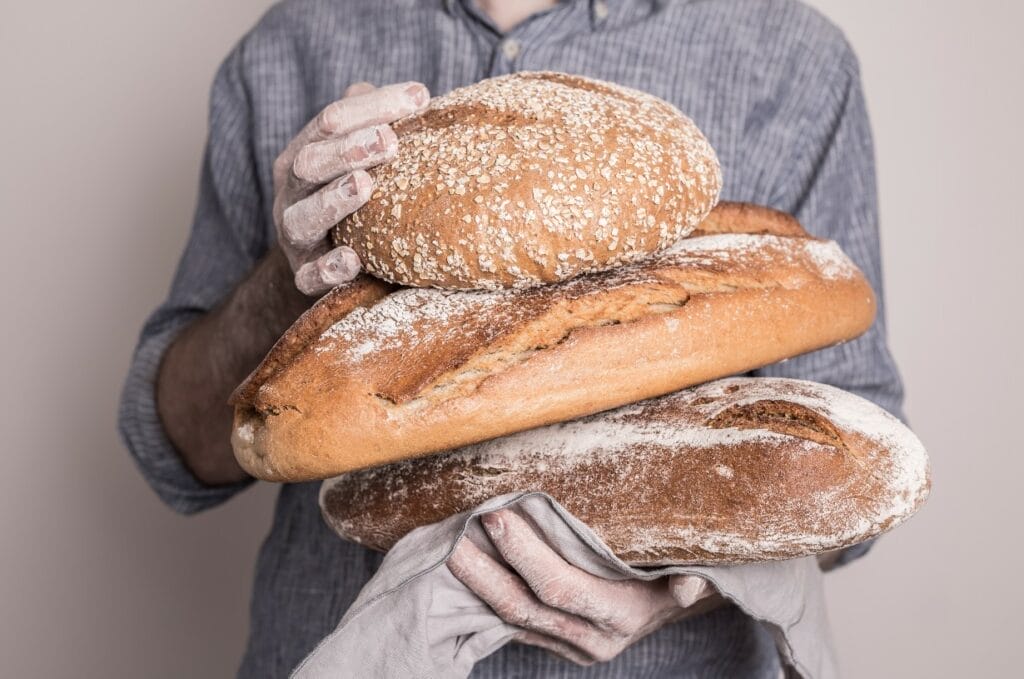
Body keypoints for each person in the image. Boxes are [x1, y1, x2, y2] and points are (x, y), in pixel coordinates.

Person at [119, 0, 905, 676]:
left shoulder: (791, 57)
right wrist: (288, 280)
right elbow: (176, 452)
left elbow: (856, 452)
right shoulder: (289, 46)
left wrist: (686, 575)